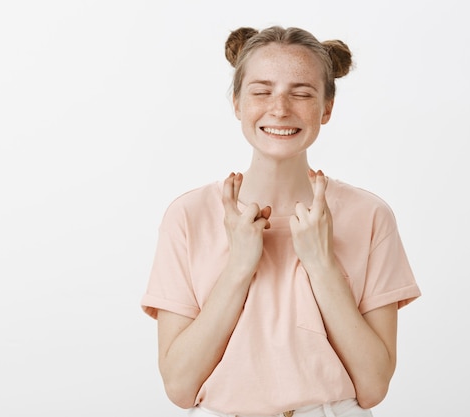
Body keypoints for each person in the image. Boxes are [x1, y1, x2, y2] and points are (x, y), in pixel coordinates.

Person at [140, 25, 421, 417]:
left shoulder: (370, 216)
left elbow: (373, 386)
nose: (280, 108)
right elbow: (180, 386)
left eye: (302, 93)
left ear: (326, 108)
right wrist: (239, 266)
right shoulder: (187, 216)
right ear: (237, 102)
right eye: (261, 90)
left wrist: (322, 264)